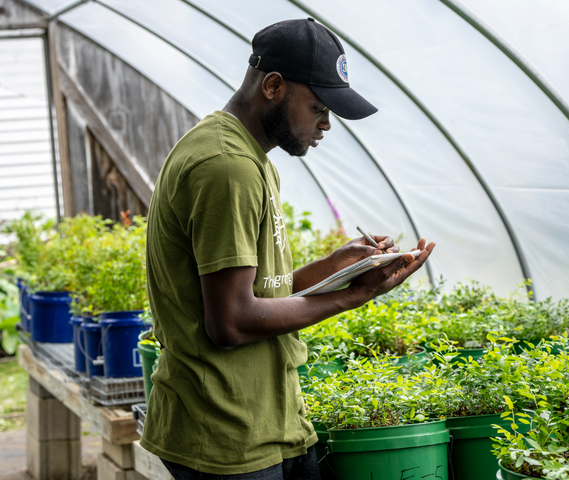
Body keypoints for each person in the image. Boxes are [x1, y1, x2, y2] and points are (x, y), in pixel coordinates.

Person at [140, 17, 435, 480]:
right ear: (274, 86)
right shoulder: (226, 166)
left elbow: (257, 294)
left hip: (269, 421)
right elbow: (231, 322)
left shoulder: (251, 159)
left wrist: (335, 266)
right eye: (319, 107)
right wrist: (352, 296)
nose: (326, 125)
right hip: (225, 435)